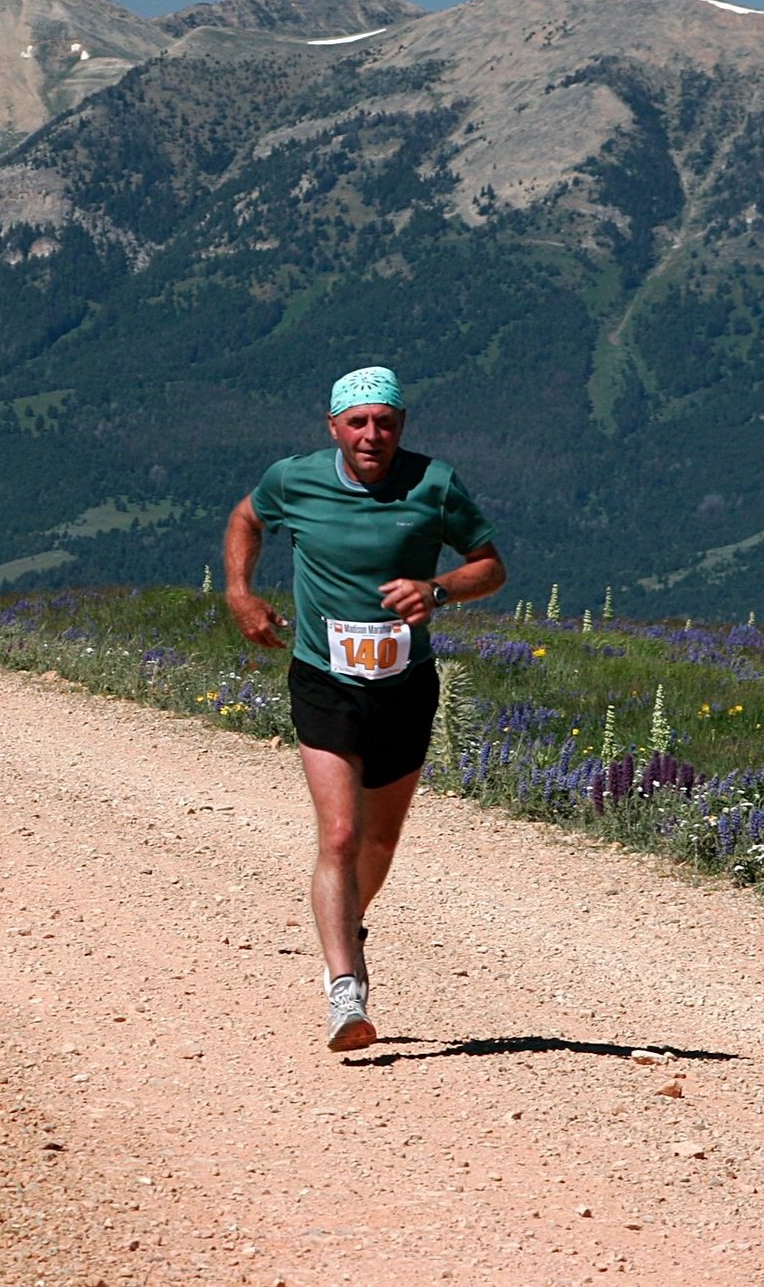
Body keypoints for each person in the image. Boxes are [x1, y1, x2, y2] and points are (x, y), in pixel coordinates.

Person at [224, 366, 506, 1051]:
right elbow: (246, 517)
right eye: (358, 422)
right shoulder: (296, 479)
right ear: (334, 428)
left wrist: (437, 591)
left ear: (401, 426)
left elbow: (490, 565)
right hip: (325, 679)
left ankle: (347, 923)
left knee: (379, 841)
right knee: (342, 835)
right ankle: (344, 987)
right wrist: (240, 592)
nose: (371, 434)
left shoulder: (433, 483)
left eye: (384, 421)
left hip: (405, 684)